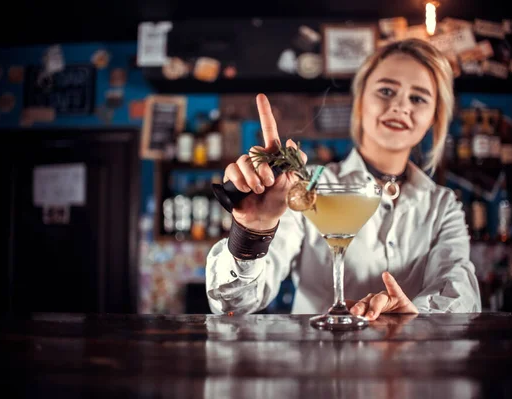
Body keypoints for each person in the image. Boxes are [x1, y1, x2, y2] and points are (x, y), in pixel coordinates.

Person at [205, 38, 482, 320]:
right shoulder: (304, 187)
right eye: (386, 90)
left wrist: (413, 315)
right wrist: (253, 230)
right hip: (318, 360)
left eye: (418, 98)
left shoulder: (443, 206)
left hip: (410, 361)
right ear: (360, 102)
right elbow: (233, 305)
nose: (400, 106)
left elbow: (460, 295)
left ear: (434, 117)